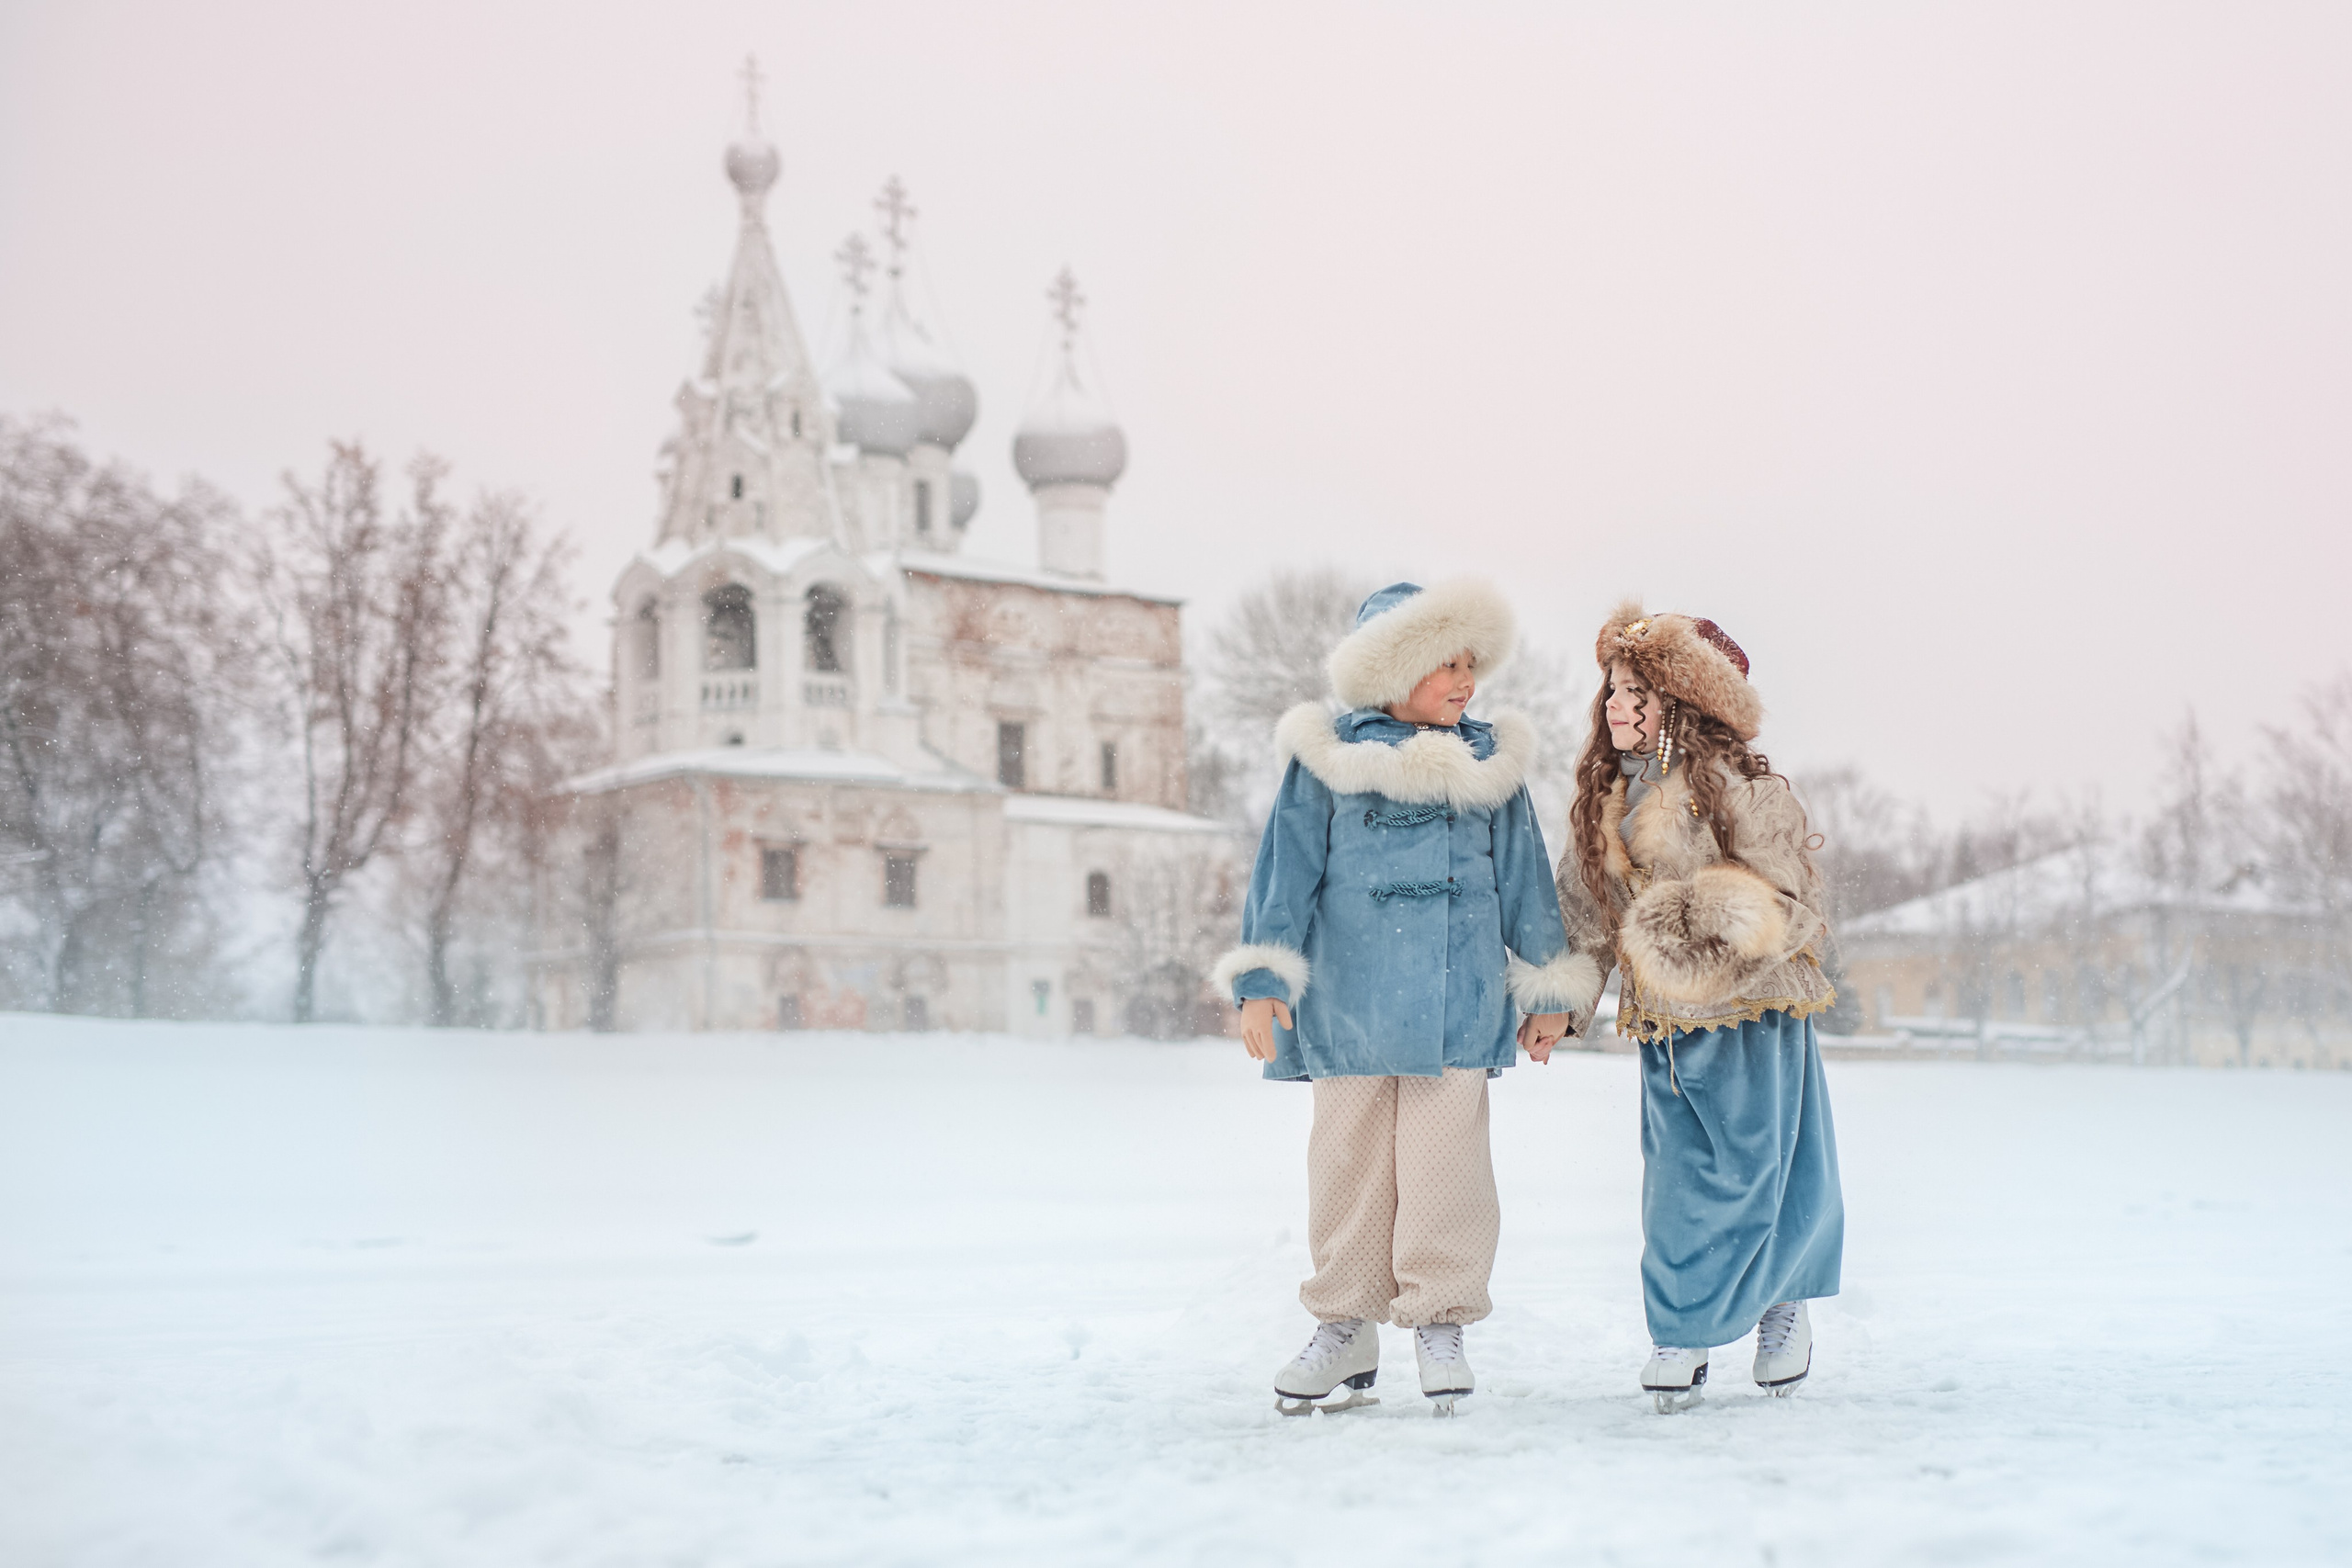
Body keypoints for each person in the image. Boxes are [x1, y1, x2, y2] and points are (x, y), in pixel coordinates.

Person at [1207, 580, 1596, 1416]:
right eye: (1446, 665)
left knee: (1445, 1170)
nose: (1466, 681)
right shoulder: (1327, 760)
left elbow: (1526, 882)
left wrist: (1548, 985)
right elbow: (1285, 876)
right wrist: (1263, 983)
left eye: (1471, 664)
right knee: (1346, 1168)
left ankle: (1440, 1318)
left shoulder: (1491, 763)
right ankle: (1345, 1322)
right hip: (1349, 1007)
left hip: (1458, 1009)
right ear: (1393, 669)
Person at [1550, 603, 1844, 1411]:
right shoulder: (1605, 799)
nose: (1615, 705)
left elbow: (1787, 904)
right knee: (1677, 1182)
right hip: (1668, 1031)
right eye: (1611, 688)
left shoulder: (1746, 795)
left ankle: (1783, 1306)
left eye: (1636, 690)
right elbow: (1585, 911)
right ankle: (1682, 1329)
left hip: (1754, 1017)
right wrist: (1560, 1001)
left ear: (1685, 706)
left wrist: (1695, 931)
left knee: (1766, 1170)